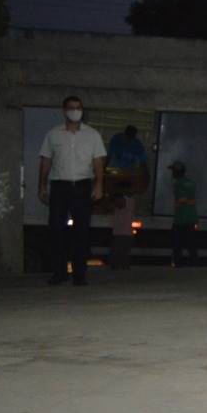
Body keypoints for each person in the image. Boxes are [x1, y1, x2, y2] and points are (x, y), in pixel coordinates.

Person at [38, 95, 106, 286]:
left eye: (78, 107)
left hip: (82, 187)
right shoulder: (53, 135)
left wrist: (99, 184)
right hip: (59, 187)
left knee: (81, 232)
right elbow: (45, 161)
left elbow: (98, 162)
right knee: (57, 230)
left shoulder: (93, 135)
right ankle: (59, 272)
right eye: (71, 107)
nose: (75, 111)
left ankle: (79, 274)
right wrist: (42, 185)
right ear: (64, 110)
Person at [169, 160, 199, 267]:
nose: (172, 173)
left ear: (177, 172)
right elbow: (192, 200)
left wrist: (180, 202)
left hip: (180, 219)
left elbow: (181, 200)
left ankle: (177, 264)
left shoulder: (178, 184)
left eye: (173, 171)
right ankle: (194, 264)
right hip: (191, 218)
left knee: (177, 244)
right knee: (191, 244)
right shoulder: (190, 182)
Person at [109, 194, 133, 270]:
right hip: (122, 233)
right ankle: (121, 268)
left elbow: (122, 203)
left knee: (120, 253)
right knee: (121, 254)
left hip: (123, 233)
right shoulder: (121, 206)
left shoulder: (127, 204)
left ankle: (120, 268)